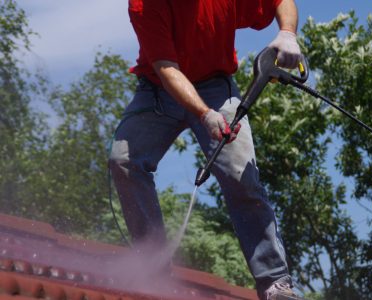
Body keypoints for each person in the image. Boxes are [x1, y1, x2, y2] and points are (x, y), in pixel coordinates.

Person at [109, 0, 303, 299]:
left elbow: (280, 1)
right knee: (123, 160)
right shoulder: (143, 6)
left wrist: (287, 33)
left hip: (216, 87)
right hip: (158, 90)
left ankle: (275, 282)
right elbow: (165, 68)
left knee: (242, 176)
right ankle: (155, 273)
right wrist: (204, 114)